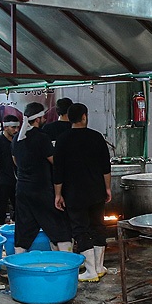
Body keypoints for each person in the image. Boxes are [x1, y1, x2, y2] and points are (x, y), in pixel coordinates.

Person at [53, 103, 112, 282]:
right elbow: (106, 167)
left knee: (80, 229)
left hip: (74, 193)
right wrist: (107, 188)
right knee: (98, 226)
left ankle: (91, 271)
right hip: (96, 191)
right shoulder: (96, 137)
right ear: (84, 116)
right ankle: (99, 267)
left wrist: (58, 194)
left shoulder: (63, 139)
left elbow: (58, 171)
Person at [12, 102, 72, 253]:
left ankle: (19, 261)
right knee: (59, 226)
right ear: (38, 119)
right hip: (41, 190)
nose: (45, 119)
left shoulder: (17, 138)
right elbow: (55, 162)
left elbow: (15, 161)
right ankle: (67, 261)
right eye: (43, 116)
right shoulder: (41, 138)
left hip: (22, 190)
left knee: (24, 229)